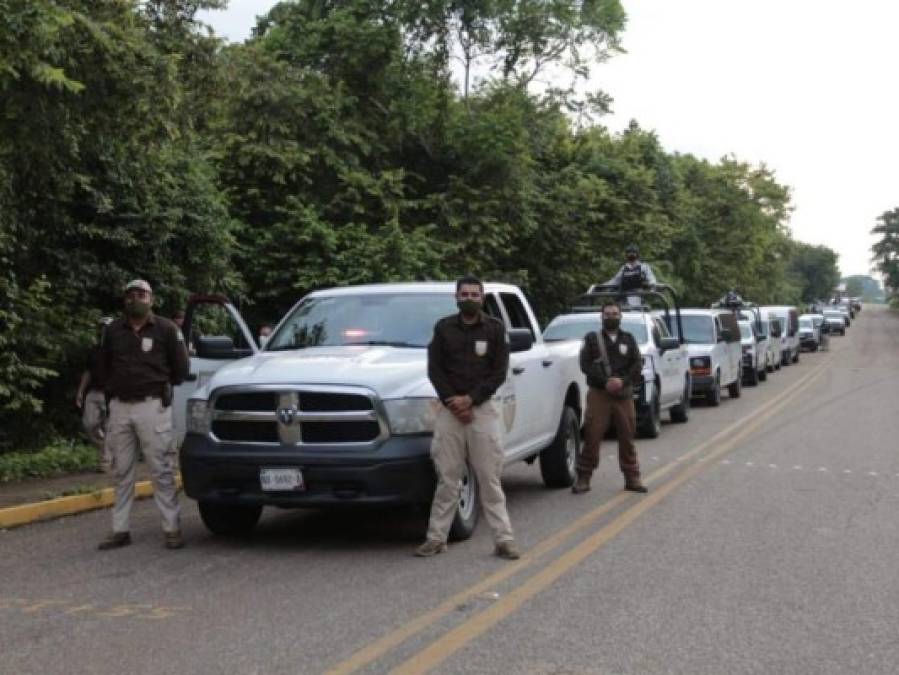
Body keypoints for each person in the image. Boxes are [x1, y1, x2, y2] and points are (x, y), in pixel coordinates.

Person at [415, 276, 520, 560]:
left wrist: (471, 400)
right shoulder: (444, 328)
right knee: (448, 477)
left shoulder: (495, 329)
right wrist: (454, 401)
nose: (470, 297)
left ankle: (504, 539)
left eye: (475, 293)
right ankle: (436, 538)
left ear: (482, 297)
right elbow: (434, 369)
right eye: (465, 294)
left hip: (482, 409)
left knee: (489, 478)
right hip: (449, 410)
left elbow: (499, 372)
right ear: (456, 297)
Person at [97, 279, 190, 551]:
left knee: (160, 468)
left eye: (141, 294)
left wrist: (158, 386)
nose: (135, 298)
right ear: (124, 300)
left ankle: (172, 529)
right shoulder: (113, 331)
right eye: (130, 295)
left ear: (151, 299)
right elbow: (102, 366)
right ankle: (120, 529)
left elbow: (181, 370)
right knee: (121, 471)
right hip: (120, 407)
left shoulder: (166, 329)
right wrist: (113, 390)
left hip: (152, 406)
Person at [573, 301, 648, 495]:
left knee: (627, 436)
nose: (611, 317)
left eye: (615, 313)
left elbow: (637, 365)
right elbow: (585, 365)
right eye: (607, 314)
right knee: (592, 436)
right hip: (599, 394)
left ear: (621, 316)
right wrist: (605, 381)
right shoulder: (591, 339)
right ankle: (583, 477)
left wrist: (622, 381)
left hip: (624, 395)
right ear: (601, 316)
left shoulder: (628, 339)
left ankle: (633, 477)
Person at [76, 317, 113, 472]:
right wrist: (80, 392)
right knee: (88, 424)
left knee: (109, 427)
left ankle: (105, 462)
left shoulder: (119, 351)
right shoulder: (94, 350)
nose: (104, 330)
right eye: (102, 327)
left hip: (112, 394)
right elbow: (88, 372)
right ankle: (109, 448)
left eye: (107, 327)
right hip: (94, 392)